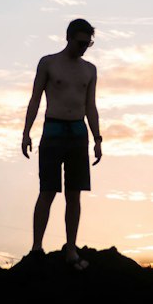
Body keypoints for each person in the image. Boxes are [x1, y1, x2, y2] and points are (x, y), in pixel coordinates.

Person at [21, 18, 102, 268]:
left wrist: (98, 139)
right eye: (80, 43)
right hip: (53, 130)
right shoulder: (49, 63)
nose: (83, 48)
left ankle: (71, 249)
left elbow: (91, 106)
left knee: (74, 194)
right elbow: (35, 98)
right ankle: (37, 247)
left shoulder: (90, 69)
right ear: (68, 38)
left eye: (88, 44)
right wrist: (26, 133)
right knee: (47, 191)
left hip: (78, 133)